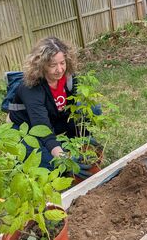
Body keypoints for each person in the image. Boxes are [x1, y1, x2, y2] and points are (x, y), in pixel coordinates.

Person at [9, 36, 101, 176]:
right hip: (25, 128)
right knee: (54, 168)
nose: (59, 69)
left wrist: (83, 137)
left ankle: (65, 150)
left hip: (52, 118)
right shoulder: (31, 88)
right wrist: (65, 160)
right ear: (42, 65)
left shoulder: (68, 78)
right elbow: (43, 130)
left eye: (62, 63)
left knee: (93, 110)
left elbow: (69, 112)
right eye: (53, 65)